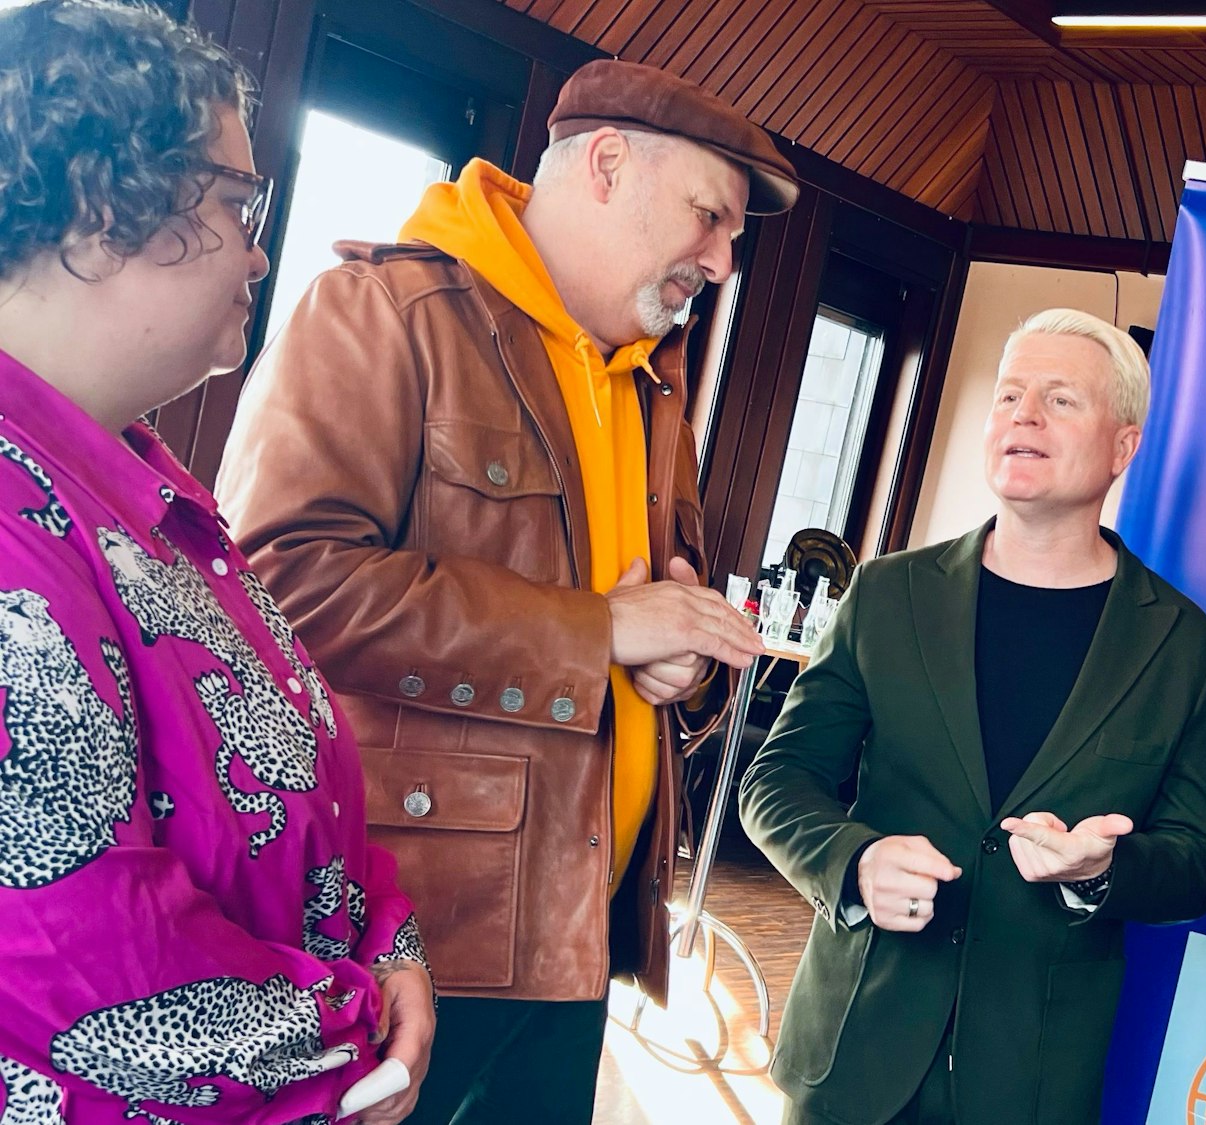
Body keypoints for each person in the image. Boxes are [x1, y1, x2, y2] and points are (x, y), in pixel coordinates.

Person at [213, 61, 792, 1123]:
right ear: (608, 165)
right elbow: (277, 587)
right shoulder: (383, 311)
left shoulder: (656, 384)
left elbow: (665, 612)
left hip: (581, 942)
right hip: (416, 943)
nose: (719, 259)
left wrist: (680, 656)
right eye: (709, 218)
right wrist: (599, 629)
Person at [0, 3, 431, 1122]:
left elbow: (293, 769)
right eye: (236, 200)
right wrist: (353, 1032)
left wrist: (390, 945)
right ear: (98, 212)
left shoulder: (143, 483)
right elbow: (77, 954)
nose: (255, 251)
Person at [739, 308, 1206, 1125]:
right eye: (1009, 395)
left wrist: (1100, 870)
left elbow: (1199, 860)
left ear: (1124, 446)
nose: (1023, 416)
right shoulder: (887, 594)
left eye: (1060, 399)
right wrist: (853, 863)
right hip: (855, 1049)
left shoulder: (1183, 645)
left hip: (1033, 1078)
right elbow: (777, 779)